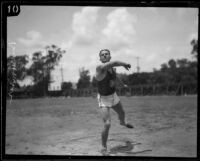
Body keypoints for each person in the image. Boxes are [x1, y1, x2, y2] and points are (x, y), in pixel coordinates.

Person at [95, 49, 133, 155]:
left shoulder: (112, 69)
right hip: (103, 98)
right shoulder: (100, 68)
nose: (105, 56)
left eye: (106, 54)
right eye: (102, 55)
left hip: (113, 95)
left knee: (122, 113)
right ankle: (103, 147)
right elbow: (115, 62)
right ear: (100, 58)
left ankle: (122, 122)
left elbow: (115, 77)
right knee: (107, 124)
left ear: (109, 56)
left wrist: (123, 84)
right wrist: (124, 64)